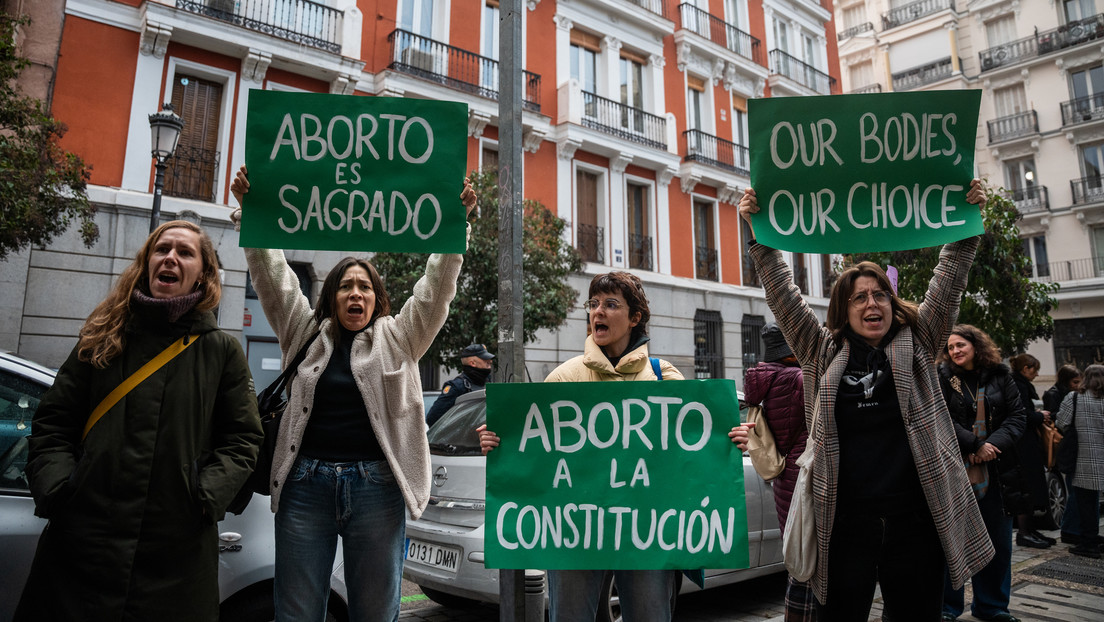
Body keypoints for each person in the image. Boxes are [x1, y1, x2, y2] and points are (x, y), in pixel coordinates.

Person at [730, 180, 994, 621]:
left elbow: (949, 280)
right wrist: (758, 233)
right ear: (844, 309)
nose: (873, 303)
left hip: (915, 521)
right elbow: (781, 292)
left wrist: (967, 222)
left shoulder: (920, 341)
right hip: (844, 524)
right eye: (860, 297)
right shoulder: (819, 351)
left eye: (880, 295)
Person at [231, 166, 477, 622]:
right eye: (345, 286)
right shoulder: (303, 330)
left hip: (376, 491)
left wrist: (454, 225)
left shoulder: (400, 337)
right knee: (298, 611)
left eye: (364, 286)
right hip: (305, 487)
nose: (355, 294)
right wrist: (253, 211)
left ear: (377, 298)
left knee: (375, 612)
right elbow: (274, 275)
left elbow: (434, 292)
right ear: (331, 298)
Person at [15, 221, 263, 622]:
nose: (170, 257)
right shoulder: (101, 337)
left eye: (185, 252)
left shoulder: (222, 353)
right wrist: (60, 488)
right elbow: (53, 423)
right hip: (80, 550)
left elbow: (243, 440)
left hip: (174, 560)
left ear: (204, 272)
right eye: (161, 249)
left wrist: (202, 498)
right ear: (147, 263)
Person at [478, 271, 684, 622]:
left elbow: (687, 449)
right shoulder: (564, 378)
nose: (597, 312)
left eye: (610, 304)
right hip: (574, 532)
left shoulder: (663, 377)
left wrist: (724, 440)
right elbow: (536, 451)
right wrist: (500, 442)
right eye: (593, 304)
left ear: (635, 318)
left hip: (645, 531)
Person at [938, 324, 1029, 622]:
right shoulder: (942, 377)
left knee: (998, 543)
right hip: (955, 470)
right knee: (953, 541)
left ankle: (992, 607)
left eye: (960, 345)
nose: (955, 351)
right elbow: (940, 418)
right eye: (951, 347)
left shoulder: (1002, 377)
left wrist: (990, 446)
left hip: (999, 471)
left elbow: (1017, 418)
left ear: (976, 345)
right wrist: (974, 444)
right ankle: (948, 608)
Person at [738, 322, 814, 621]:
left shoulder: (764, 381)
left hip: (783, 476)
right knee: (811, 562)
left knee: (796, 558)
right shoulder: (799, 379)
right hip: (803, 475)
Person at [1055, 364, 1104, 559]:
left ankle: (1089, 542)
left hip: (1083, 458)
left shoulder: (1074, 397)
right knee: (1094, 501)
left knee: (1085, 501)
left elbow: (1062, 422)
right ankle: (1092, 537)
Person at [1008, 353, 1055, 549]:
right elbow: (1020, 414)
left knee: (1031, 488)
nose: (1037, 374)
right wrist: (1038, 416)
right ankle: (1025, 532)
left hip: (1026, 442)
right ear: (1026, 368)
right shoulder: (1017, 385)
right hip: (1023, 444)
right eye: (1034, 370)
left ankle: (1030, 529)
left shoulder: (1019, 384)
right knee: (1026, 487)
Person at [1045, 364, 1088, 545]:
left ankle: (1075, 529)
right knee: (1074, 489)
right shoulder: (1054, 394)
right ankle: (1070, 529)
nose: (1077, 385)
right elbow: (1056, 419)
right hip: (1064, 443)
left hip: (1072, 442)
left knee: (1078, 490)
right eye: (1075, 381)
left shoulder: (1077, 395)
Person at [425, 343, 494, 426]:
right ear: (473, 363)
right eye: (485, 359)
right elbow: (433, 418)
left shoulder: (488, 383)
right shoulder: (457, 386)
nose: (490, 361)